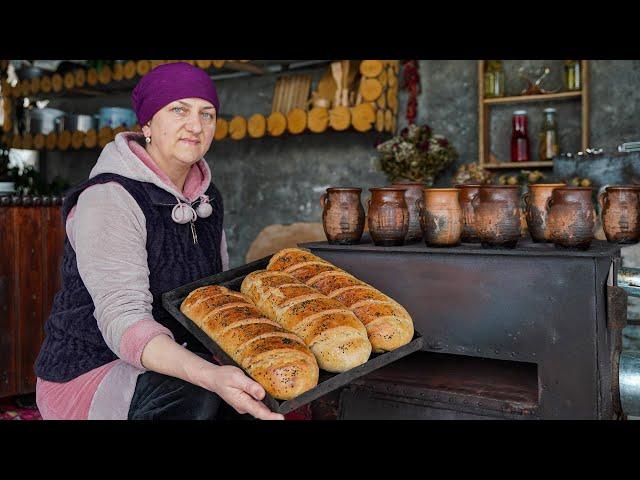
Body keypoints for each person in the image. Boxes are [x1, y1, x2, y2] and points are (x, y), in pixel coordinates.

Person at [34, 62, 284, 420]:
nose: (196, 126)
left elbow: (215, 299)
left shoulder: (207, 199)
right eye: (179, 110)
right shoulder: (110, 198)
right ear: (147, 123)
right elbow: (124, 322)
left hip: (179, 363)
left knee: (248, 400)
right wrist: (211, 375)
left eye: (207, 114)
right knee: (202, 399)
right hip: (93, 368)